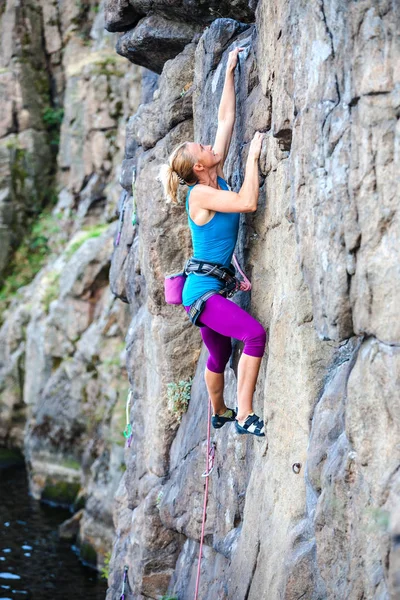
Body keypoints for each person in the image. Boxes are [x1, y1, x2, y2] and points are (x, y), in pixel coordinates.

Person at [160, 47, 267, 437]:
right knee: (254, 335)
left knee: (220, 353)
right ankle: (244, 415)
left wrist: (230, 72)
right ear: (199, 167)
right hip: (203, 294)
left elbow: (226, 118)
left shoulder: (212, 173)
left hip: (204, 288)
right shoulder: (200, 194)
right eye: (201, 149)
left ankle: (220, 411)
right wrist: (253, 158)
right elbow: (247, 202)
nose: (207, 144)